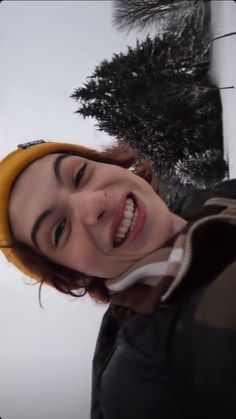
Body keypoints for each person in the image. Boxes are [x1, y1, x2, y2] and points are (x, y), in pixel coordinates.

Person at [0, 140, 236, 419]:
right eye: (60, 229)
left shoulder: (221, 196)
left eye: (79, 175)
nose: (94, 204)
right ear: (72, 275)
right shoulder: (146, 381)